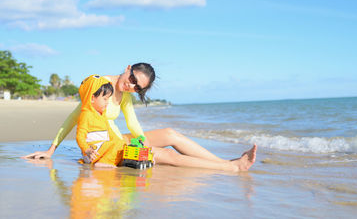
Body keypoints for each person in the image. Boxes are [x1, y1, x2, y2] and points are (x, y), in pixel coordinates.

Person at [24, 63, 257, 172]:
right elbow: (75, 118)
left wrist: (142, 140)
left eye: (138, 87)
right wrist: (52, 149)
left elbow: (133, 122)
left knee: (171, 134)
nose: (132, 85)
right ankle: (233, 168)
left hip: (119, 138)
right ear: (127, 69)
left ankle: (225, 162)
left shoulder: (125, 94)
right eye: (133, 79)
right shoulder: (99, 87)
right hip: (108, 147)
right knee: (166, 155)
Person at [76, 75, 126, 167]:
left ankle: (108, 161)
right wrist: (86, 149)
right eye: (105, 99)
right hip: (92, 152)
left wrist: (121, 143)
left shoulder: (102, 116)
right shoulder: (86, 115)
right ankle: (104, 163)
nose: (107, 102)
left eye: (108, 99)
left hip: (102, 148)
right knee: (118, 145)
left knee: (122, 145)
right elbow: (80, 136)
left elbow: (110, 133)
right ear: (92, 98)